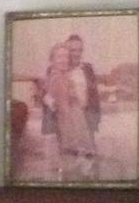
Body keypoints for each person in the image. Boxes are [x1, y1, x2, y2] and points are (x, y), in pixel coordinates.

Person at [41, 41, 97, 181]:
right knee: (72, 166)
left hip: (77, 124)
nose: (64, 60)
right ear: (52, 60)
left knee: (79, 165)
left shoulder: (65, 76)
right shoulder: (56, 77)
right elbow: (56, 105)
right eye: (59, 57)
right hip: (68, 129)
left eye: (66, 56)